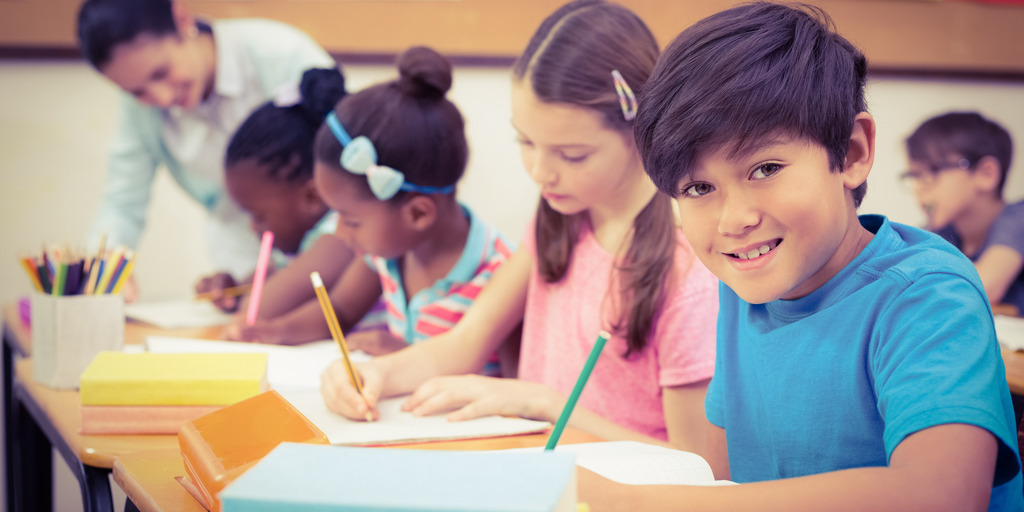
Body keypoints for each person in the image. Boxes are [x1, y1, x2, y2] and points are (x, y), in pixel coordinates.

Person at [577, 3, 1024, 510]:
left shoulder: (927, 295)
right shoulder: (741, 287)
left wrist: (639, 501)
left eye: (765, 168)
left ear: (852, 152)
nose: (733, 220)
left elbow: (941, 495)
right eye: (699, 187)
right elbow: (724, 483)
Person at [319, 0, 718, 452]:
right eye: (525, 142)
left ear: (640, 128)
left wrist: (543, 403)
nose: (540, 171)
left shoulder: (687, 271)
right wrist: (376, 375)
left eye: (572, 155)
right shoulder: (561, 218)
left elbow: (700, 464)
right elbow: (467, 340)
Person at [243, 45, 514, 364]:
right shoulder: (389, 254)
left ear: (418, 213)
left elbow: (511, 392)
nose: (340, 232)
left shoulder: (500, 279)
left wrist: (407, 360)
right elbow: (339, 311)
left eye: (352, 220)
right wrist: (273, 332)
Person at [76, 0, 335, 300]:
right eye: (137, 91)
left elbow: (347, 173)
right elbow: (123, 202)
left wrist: (288, 283)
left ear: (182, 19)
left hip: (330, 258)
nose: (159, 97)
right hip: (245, 267)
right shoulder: (140, 108)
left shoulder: (280, 55)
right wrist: (105, 268)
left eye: (160, 72)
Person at [193, 67, 363, 340]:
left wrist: (246, 303)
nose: (252, 227)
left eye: (259, 215)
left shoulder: (340, 236)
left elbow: (260, 309)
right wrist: (233, 290)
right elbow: (264, 287)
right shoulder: (300, 244)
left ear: (311, 197)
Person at [903, 111, 1023, 317]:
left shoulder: (1017, 218)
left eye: (931, 171)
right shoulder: (942, 231)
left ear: (986, 174)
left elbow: (986, 286)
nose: (918, 187)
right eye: (915, 175)